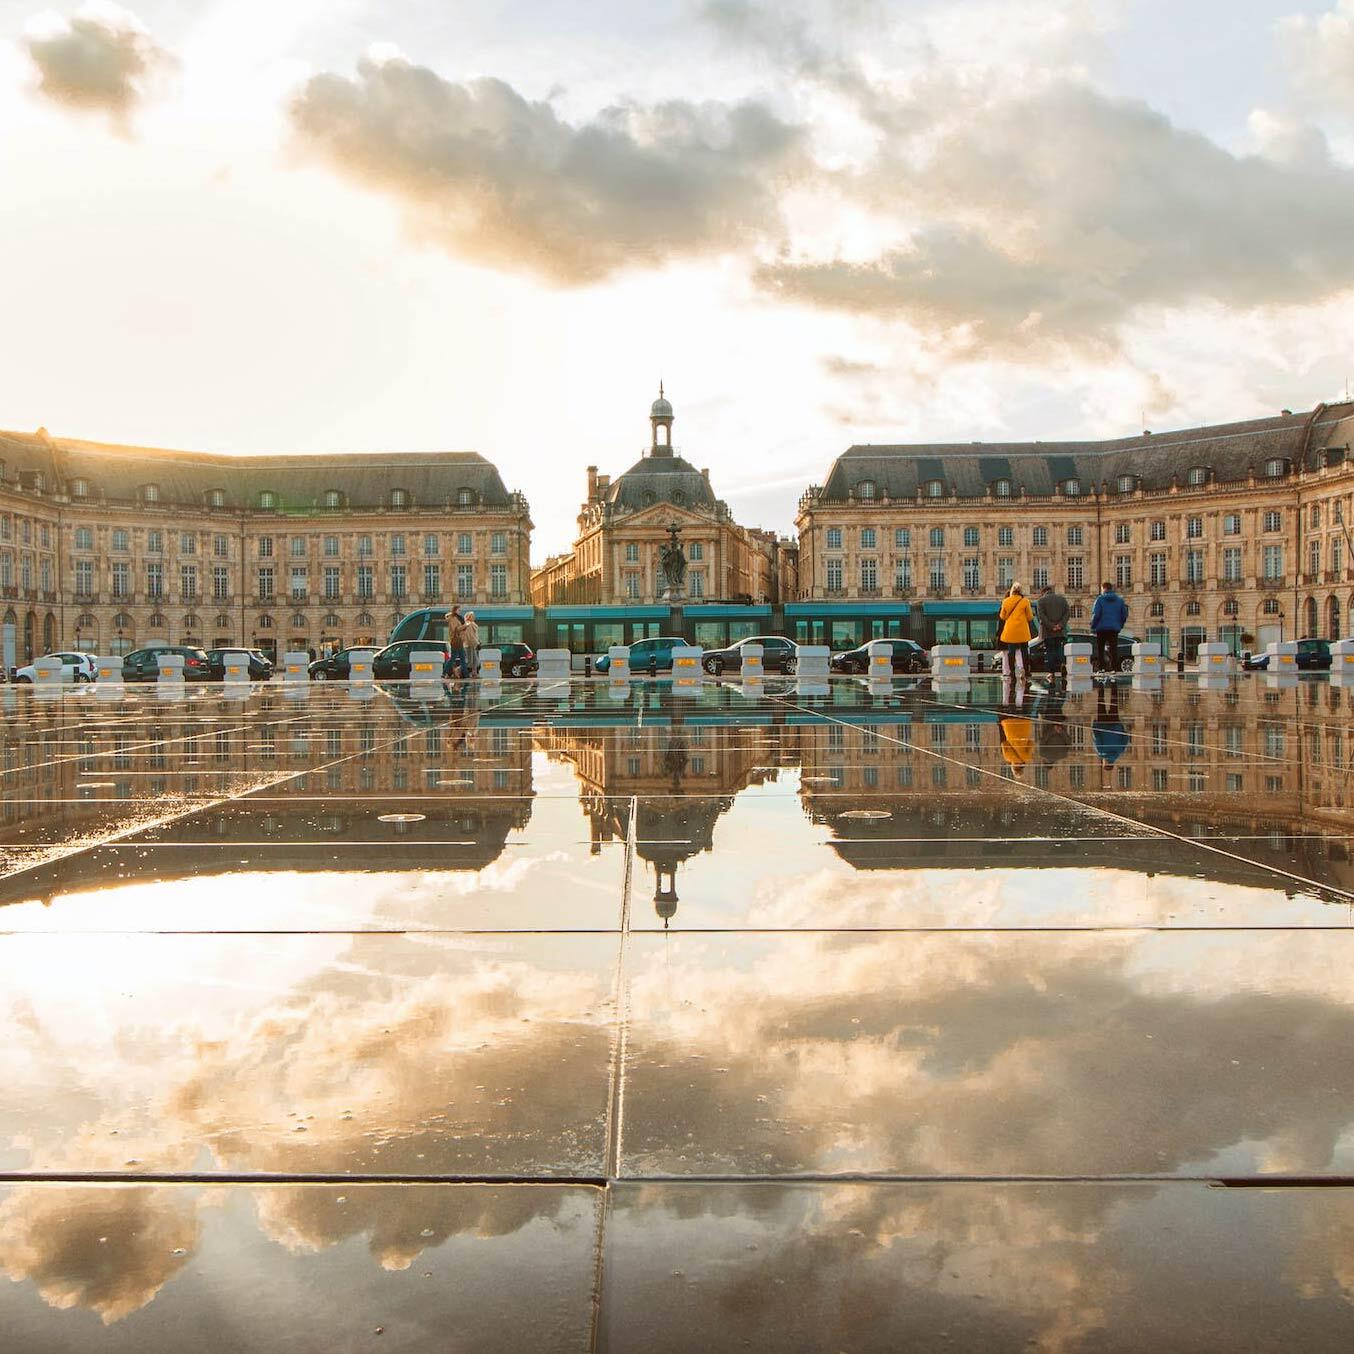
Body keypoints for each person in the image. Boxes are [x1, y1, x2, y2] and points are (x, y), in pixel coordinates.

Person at [997, 582, 1034, 677]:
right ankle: (1026, 670)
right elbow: (1030, 617)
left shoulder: (1006, 601)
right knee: (1024, 650)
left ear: (1012, 590)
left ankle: (1012, 671)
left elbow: (1002, 616)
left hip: (1010, 630)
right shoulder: (1025, 601)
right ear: (1021, 591)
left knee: (1011, 652)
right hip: (1022, 630)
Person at [1091, 581, 1129, 675]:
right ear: (1111, 588)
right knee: (1113, 649)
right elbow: (1124, 615)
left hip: (1101, 628)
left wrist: (1093, 625)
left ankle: (1101, 668)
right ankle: (1114, 668)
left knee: (1100, 649)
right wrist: (1120, 625)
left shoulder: (1099, 599)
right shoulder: (1120, 600)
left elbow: (1096, 614)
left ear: (1103, 588)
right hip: (1114, 628)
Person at [1035, 583, 1069, 686]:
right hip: (1060, 630)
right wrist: (1060, 625)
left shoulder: (1041, 601)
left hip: (1048, 631)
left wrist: (1051, 626)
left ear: (1043, 592)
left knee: (1050, 651)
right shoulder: (1062, 599)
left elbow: (1041, 616)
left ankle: (1051, 672)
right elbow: (1067, 613)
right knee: (1059, 648)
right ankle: (1063, 664)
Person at [444, 605, 467, 679]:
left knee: (459, 657)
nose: (459, 611)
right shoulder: (453, 618)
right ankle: (444, 672)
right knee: (458, 657)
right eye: (459, 610)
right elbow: (455, 629)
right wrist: (465, 626)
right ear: (455, 610)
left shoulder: (457, 618)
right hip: (456, 640)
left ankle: (465, 674)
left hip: (459, 640)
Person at [462, 610, 480, 678]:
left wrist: (478, 642)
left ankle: (474, 672)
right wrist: (476, 643)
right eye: (472, 616)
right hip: (470, 644)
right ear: (469, 617)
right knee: (471, 661)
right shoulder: (469, 624)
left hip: (473, 644)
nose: (474, 617)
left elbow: (475, 635)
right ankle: (459, 670)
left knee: (474, 660)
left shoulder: (472, 624)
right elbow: (470, 636)